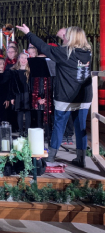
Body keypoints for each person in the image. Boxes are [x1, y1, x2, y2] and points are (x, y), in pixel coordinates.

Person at [17, 24, 92, 168]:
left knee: (59, 126)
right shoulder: (87, 52)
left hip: (66, 95)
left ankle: (51, 157)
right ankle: (81, 159)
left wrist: (28, 33)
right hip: (84, 96)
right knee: (81, 127)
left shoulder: (65, 52)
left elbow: (44, 47)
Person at [9, 52, 31, 137]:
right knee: (20, 113)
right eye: (22, 58)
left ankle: (28, 131)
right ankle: (21, 131)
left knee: (28, 112)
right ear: (19, 59)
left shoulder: (30, 71)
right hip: (18, 94)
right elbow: (11, 85)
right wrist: (12, 97)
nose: (23, 60)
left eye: (25, 58)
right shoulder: (14, 71)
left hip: (28, 94)